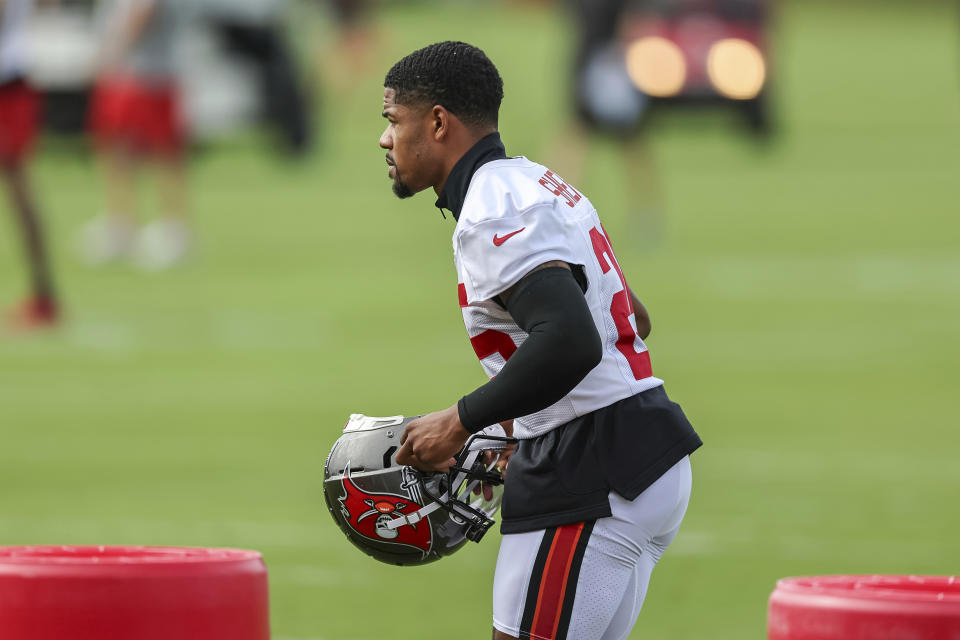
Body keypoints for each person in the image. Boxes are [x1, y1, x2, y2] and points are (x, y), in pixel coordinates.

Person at [378, 41, 702, 640]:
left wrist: (462, 419)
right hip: (631, 454)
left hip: (593, 468)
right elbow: (629, 317)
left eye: (393, 120)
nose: (385, 140)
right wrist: (514, 429)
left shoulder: (491, 209)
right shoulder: (535, 180)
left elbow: (573, 339)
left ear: (439, 122)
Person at [81, 0, 189, 270]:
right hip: (127, 75)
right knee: (116, 151)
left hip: (148, 74)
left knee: (162, 152)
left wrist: (110, 52)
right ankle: (121, 225)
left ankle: (173, 227)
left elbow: (144, 12)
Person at [1, 0, 59, 328]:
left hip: (7, 86)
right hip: (14, 81)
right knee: (20, 192)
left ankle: (44, 296)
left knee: (20, 192)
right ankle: (43, 294)